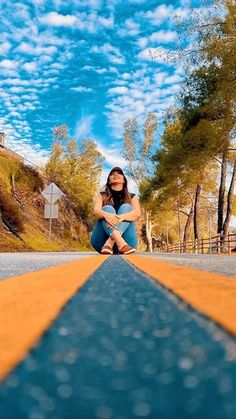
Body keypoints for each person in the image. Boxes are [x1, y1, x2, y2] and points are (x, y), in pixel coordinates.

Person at [91, 167, 141, 255]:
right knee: (107, 209)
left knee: (126, 207)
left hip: (127, 243)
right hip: (101, 243)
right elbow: (96, 211)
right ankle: (118, 242)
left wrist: (122, 217)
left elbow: (137, 213)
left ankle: (110, 242)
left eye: (119, 173)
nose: (115, 174)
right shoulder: (102, 195)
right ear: (109, 181)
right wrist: (106, 215)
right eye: (112, 173)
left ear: (124, 180)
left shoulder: (132, 197)